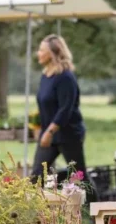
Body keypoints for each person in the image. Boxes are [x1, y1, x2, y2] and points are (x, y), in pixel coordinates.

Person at [30, 34, 88, 188]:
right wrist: (38, 127)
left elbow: (65, 109)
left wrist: (49, 131)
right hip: (49, 135)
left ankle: (94, 210)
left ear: (53, 53)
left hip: (68, 134)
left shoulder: (65, 77)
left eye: (42, 50)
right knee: (36, 176)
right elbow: (45, 105)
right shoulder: (45, 76)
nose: (38, 53)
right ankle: (33, 211)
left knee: (79, 176)